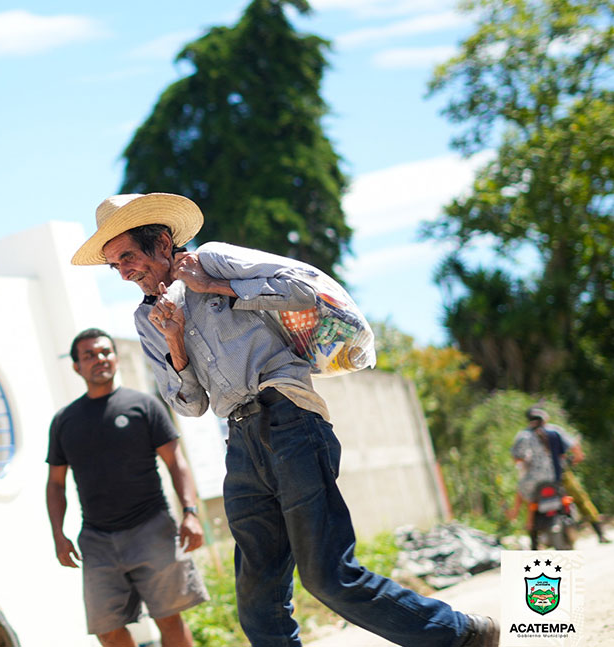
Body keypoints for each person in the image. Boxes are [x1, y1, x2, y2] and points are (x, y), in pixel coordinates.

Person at [71, 192, 500, 647]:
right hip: (240, 442)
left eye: (128, 257)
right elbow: (190, 405)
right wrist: (174, 340)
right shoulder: (147, 319)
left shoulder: (212, 260)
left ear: (161, 242)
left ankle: (461, 635)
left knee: (328, 576)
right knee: (258, 601)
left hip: (290, 418)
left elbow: (304, 291)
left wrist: (214, 285)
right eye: (114, 266)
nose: (124, 272)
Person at [46, 327, 209, 647]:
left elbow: (176, 463)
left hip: (151, 529)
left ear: (116, 359)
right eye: (89, 355)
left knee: (169, 619)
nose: (99, 359)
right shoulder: (64, 421)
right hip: (97, 539)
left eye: (105, 352)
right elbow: (55, 484)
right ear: (77, 367)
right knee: (107, 631)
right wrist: (58, 534)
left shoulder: (144, 406)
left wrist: (190, 513)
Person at [508, 406, 609, 546]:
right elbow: (576, 450)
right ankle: (599, 532)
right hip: (558, 476)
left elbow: (517, 458)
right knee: (581, 498)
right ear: (545, 417)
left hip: (533, 481)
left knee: (528, 501)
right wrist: (575, 459)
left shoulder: (523, 436)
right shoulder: (554, 431)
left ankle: (532, 539)